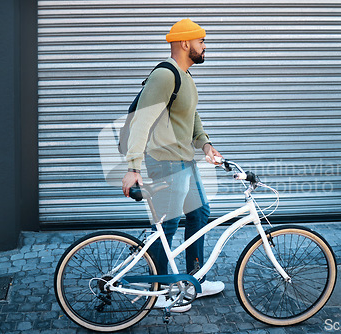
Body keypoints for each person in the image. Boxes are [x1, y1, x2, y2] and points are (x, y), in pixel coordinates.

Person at [121, 18, 225, 312]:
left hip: (184, 161)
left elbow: (191, 118)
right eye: (201, 41)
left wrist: (205, 144)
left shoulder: (186, 77)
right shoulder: (165, 76)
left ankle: (191, 281)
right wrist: (133, 168)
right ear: (184, 43)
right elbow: (141, 121)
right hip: (164, 162)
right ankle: (155, 288)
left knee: (200, 214)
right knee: (167, 225)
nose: (205, 46)